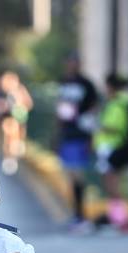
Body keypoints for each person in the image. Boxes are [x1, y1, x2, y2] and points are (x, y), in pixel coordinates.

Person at [54, 53, 99, 232]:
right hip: (67, 134)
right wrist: (57, 134)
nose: (71, 66)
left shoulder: (86, 84)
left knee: (78, 175)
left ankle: (82, 216)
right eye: (69, 62)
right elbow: (60, 109)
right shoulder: (63, 82)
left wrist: (90, 135)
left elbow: (94, 109)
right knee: (70, 176)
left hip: (80, 135)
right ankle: (76, 214)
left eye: (74, 63)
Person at [93, 72, 128, 233]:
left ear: (111, 86)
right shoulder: (122, 102)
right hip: (112, 149)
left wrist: (97, 125)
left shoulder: (118, 104)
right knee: (113, 187)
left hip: (112, 149)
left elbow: (115, 127)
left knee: (112, 187)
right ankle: (118, 219)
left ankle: (122, 221)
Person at [0, 71, 33, 175]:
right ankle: (8, 158)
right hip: (9, 118)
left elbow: (28, 104)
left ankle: (12, 157)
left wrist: (19, 107)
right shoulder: (6, 93)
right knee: (7, 137)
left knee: (13, 136)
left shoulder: (20, 90)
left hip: (18, 119)